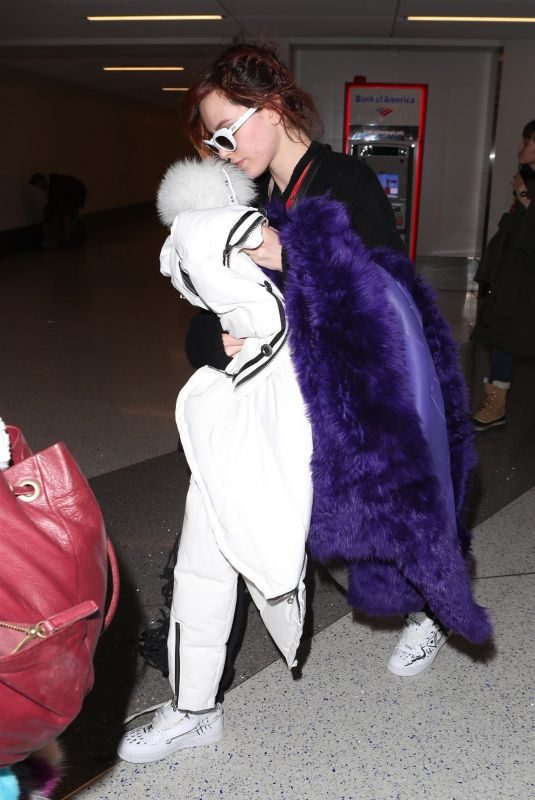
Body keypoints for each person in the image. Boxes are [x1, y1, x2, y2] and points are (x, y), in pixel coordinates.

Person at [117, 42, 490, 764]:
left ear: (276, 106)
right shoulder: (248, 197)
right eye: (210, 141)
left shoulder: (342, 181)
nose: (221, 152)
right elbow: (207, 305)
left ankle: (426, 608)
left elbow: (382, 297)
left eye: (228, 131)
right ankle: (195, 704)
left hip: (340, 406)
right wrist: (214, 340)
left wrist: (295, 258)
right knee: (210, 536)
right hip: (266, 403)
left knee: (372, 529)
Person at [471, 119, 535, 431]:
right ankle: (494, 403)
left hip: (527, 281)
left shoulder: (525, 185)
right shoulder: (524, 178)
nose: (520, 147)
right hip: (511, 279)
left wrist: (525, 197)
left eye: (527, 141)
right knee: (501, 337)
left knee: (512, 336)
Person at [29, 173, 86, 248]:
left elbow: (55, 201)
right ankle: (69, 238)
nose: (38, 187)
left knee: (66, 216)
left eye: (38, 184)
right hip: (72, 194)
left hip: (75, 193)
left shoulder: (54, 184)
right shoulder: (49, 185)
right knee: (65, 216)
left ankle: (68, 240)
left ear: (40, 180)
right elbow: (51, 203)